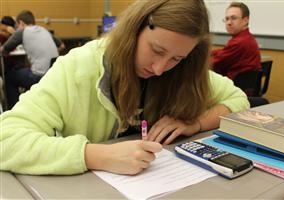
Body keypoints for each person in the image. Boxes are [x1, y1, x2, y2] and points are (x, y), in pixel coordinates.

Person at [0, 0, 249, 176]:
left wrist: (194, 123)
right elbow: (5, 139)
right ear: (134, 30)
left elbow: (238, 100)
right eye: (157, 50)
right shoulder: (78, 66)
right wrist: (95, 156)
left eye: (176, 59)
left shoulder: (184, 72)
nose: (161, 69)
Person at [0, 10, 59, 109]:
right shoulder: (44, 30)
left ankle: (14, 109)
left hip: (39, 75)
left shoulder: (22, 31)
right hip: (53, 73)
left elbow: (3, 50)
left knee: (9, 77)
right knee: (24, 69)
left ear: (21, 23)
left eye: (17, 26)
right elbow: (62, 45)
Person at [211, 2, 261, 80]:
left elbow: (212, 63)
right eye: (227, 19)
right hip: (245, 89)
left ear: (245, 20)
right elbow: (224, 52)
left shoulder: (238, 42)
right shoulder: (247, 38)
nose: (229, 23)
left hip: (232, 89)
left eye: (233, 18)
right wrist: (211, 53)